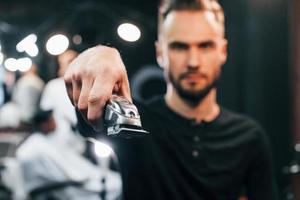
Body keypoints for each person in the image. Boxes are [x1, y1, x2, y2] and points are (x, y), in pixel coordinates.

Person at [64, 0, 278, 199]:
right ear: (160, 53)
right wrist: (100, 56)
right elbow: (89, 119)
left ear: (222, 51)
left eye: (205, 46)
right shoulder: (137, 121)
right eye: (179, 46)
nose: (193, 61)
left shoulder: (249, 137)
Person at [16, 109, 122, 200]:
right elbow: (66, 173)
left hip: (69, 182)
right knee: (116, 185)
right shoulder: (38, 147)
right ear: (44, 125)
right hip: (67, 188)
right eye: (52, 120)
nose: (55, 123)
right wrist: (84, 176)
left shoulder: (45, 142)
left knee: (113, 179)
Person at [40, 49, 84, 151]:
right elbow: (46, 112)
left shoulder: (86, 85)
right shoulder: (53, 86)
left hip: (83, 141)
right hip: (58, 140)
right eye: (63, 63)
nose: (67, 65)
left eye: (70, 61)